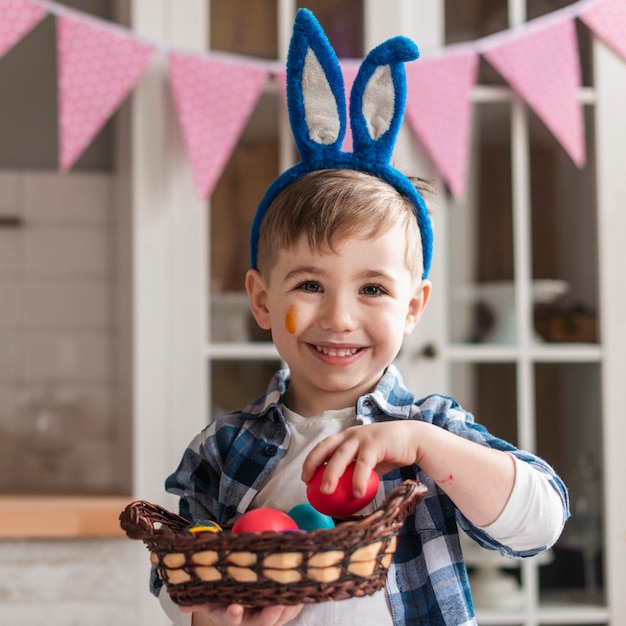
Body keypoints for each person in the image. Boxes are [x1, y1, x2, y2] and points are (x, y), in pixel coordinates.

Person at [153, 9, 569, 626]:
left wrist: (421, 445)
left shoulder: (430, 430)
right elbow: (175, 568)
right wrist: (205, 610)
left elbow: (540, 522)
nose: (340, 317)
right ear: (263, 302)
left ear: (413, 308)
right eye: (310, 285)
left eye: (372, 288)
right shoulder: (226, 447)